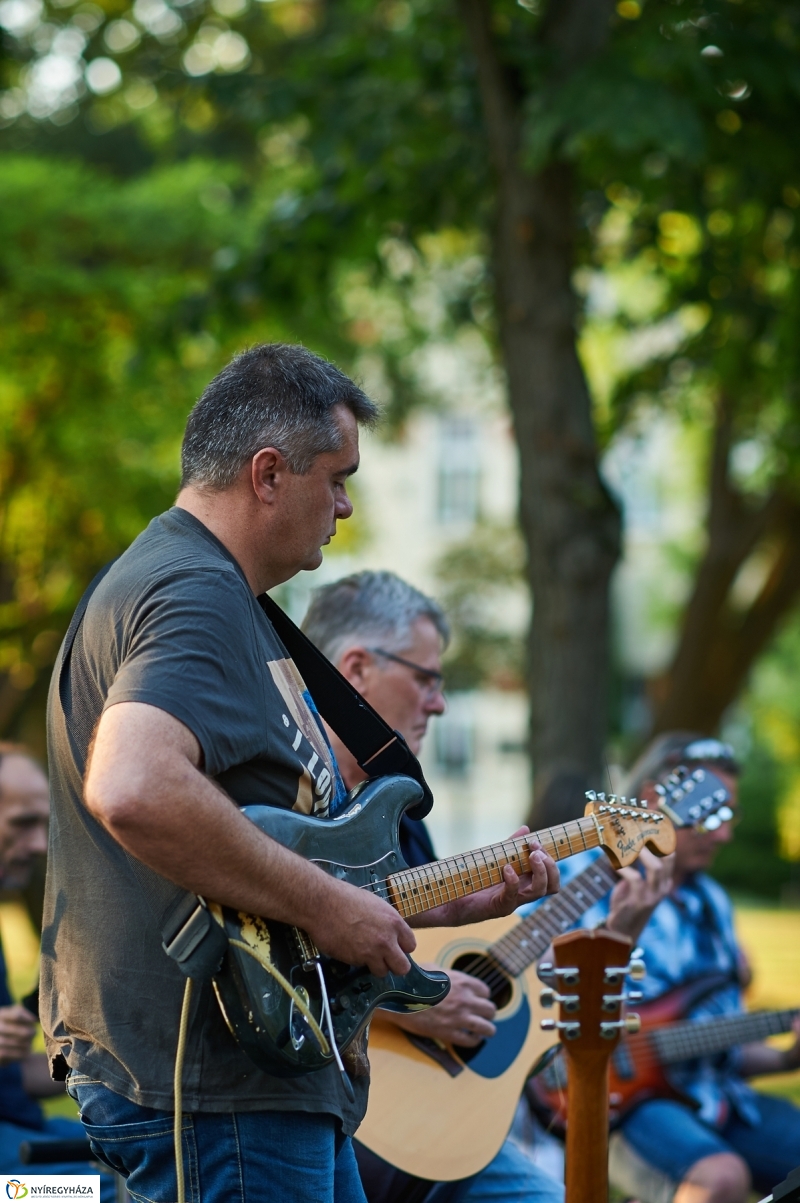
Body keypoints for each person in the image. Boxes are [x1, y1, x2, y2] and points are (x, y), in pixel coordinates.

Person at [42, 343, 560, 1203]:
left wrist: (457, 900)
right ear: (269, 473)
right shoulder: (192, 590)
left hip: (260, 1082)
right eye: (338, 475)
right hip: (217, 1087)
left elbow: (284, 857)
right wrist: (326, 905)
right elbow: (132, 784)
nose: (347, 504)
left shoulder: (224, 597)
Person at [302, 570, 673, 1203]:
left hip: (433, 1110)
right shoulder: (282, 793)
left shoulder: (400, 814)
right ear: (356, 668)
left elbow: (428, 943)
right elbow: (271, 947)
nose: (440, 703)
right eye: (427, 678)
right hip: (338, 1103)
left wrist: (603, 934)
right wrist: (411, 999)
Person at [568, 733, 800, 1203]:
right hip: (618, 1103)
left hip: (717, 1098)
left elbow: (717, 1044)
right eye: (711, 814)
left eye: (727, 815)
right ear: (655, 800)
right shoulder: (583, 880)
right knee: (721, 1177)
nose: (724, 834)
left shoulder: (711, 902)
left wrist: (786, 1058)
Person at [0, 743, 113, 1196]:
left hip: (26, 1132)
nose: (38, 844)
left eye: (42, 825)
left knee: (161, 1153)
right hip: (12, 1174)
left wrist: (98, 1058)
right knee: (100, 1194)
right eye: (23, 824)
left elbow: (14, 1079)